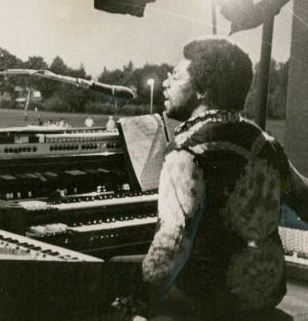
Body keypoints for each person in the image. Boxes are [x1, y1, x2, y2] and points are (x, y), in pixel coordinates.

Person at [128, 37, 308, 319]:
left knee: (114, 273)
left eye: (175, 76)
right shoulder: (267, 145)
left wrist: (137, 298)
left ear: (201, 89)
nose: (166, 84)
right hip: (262, 295)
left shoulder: (185, 152)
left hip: (206, 303)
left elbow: (170, 247)